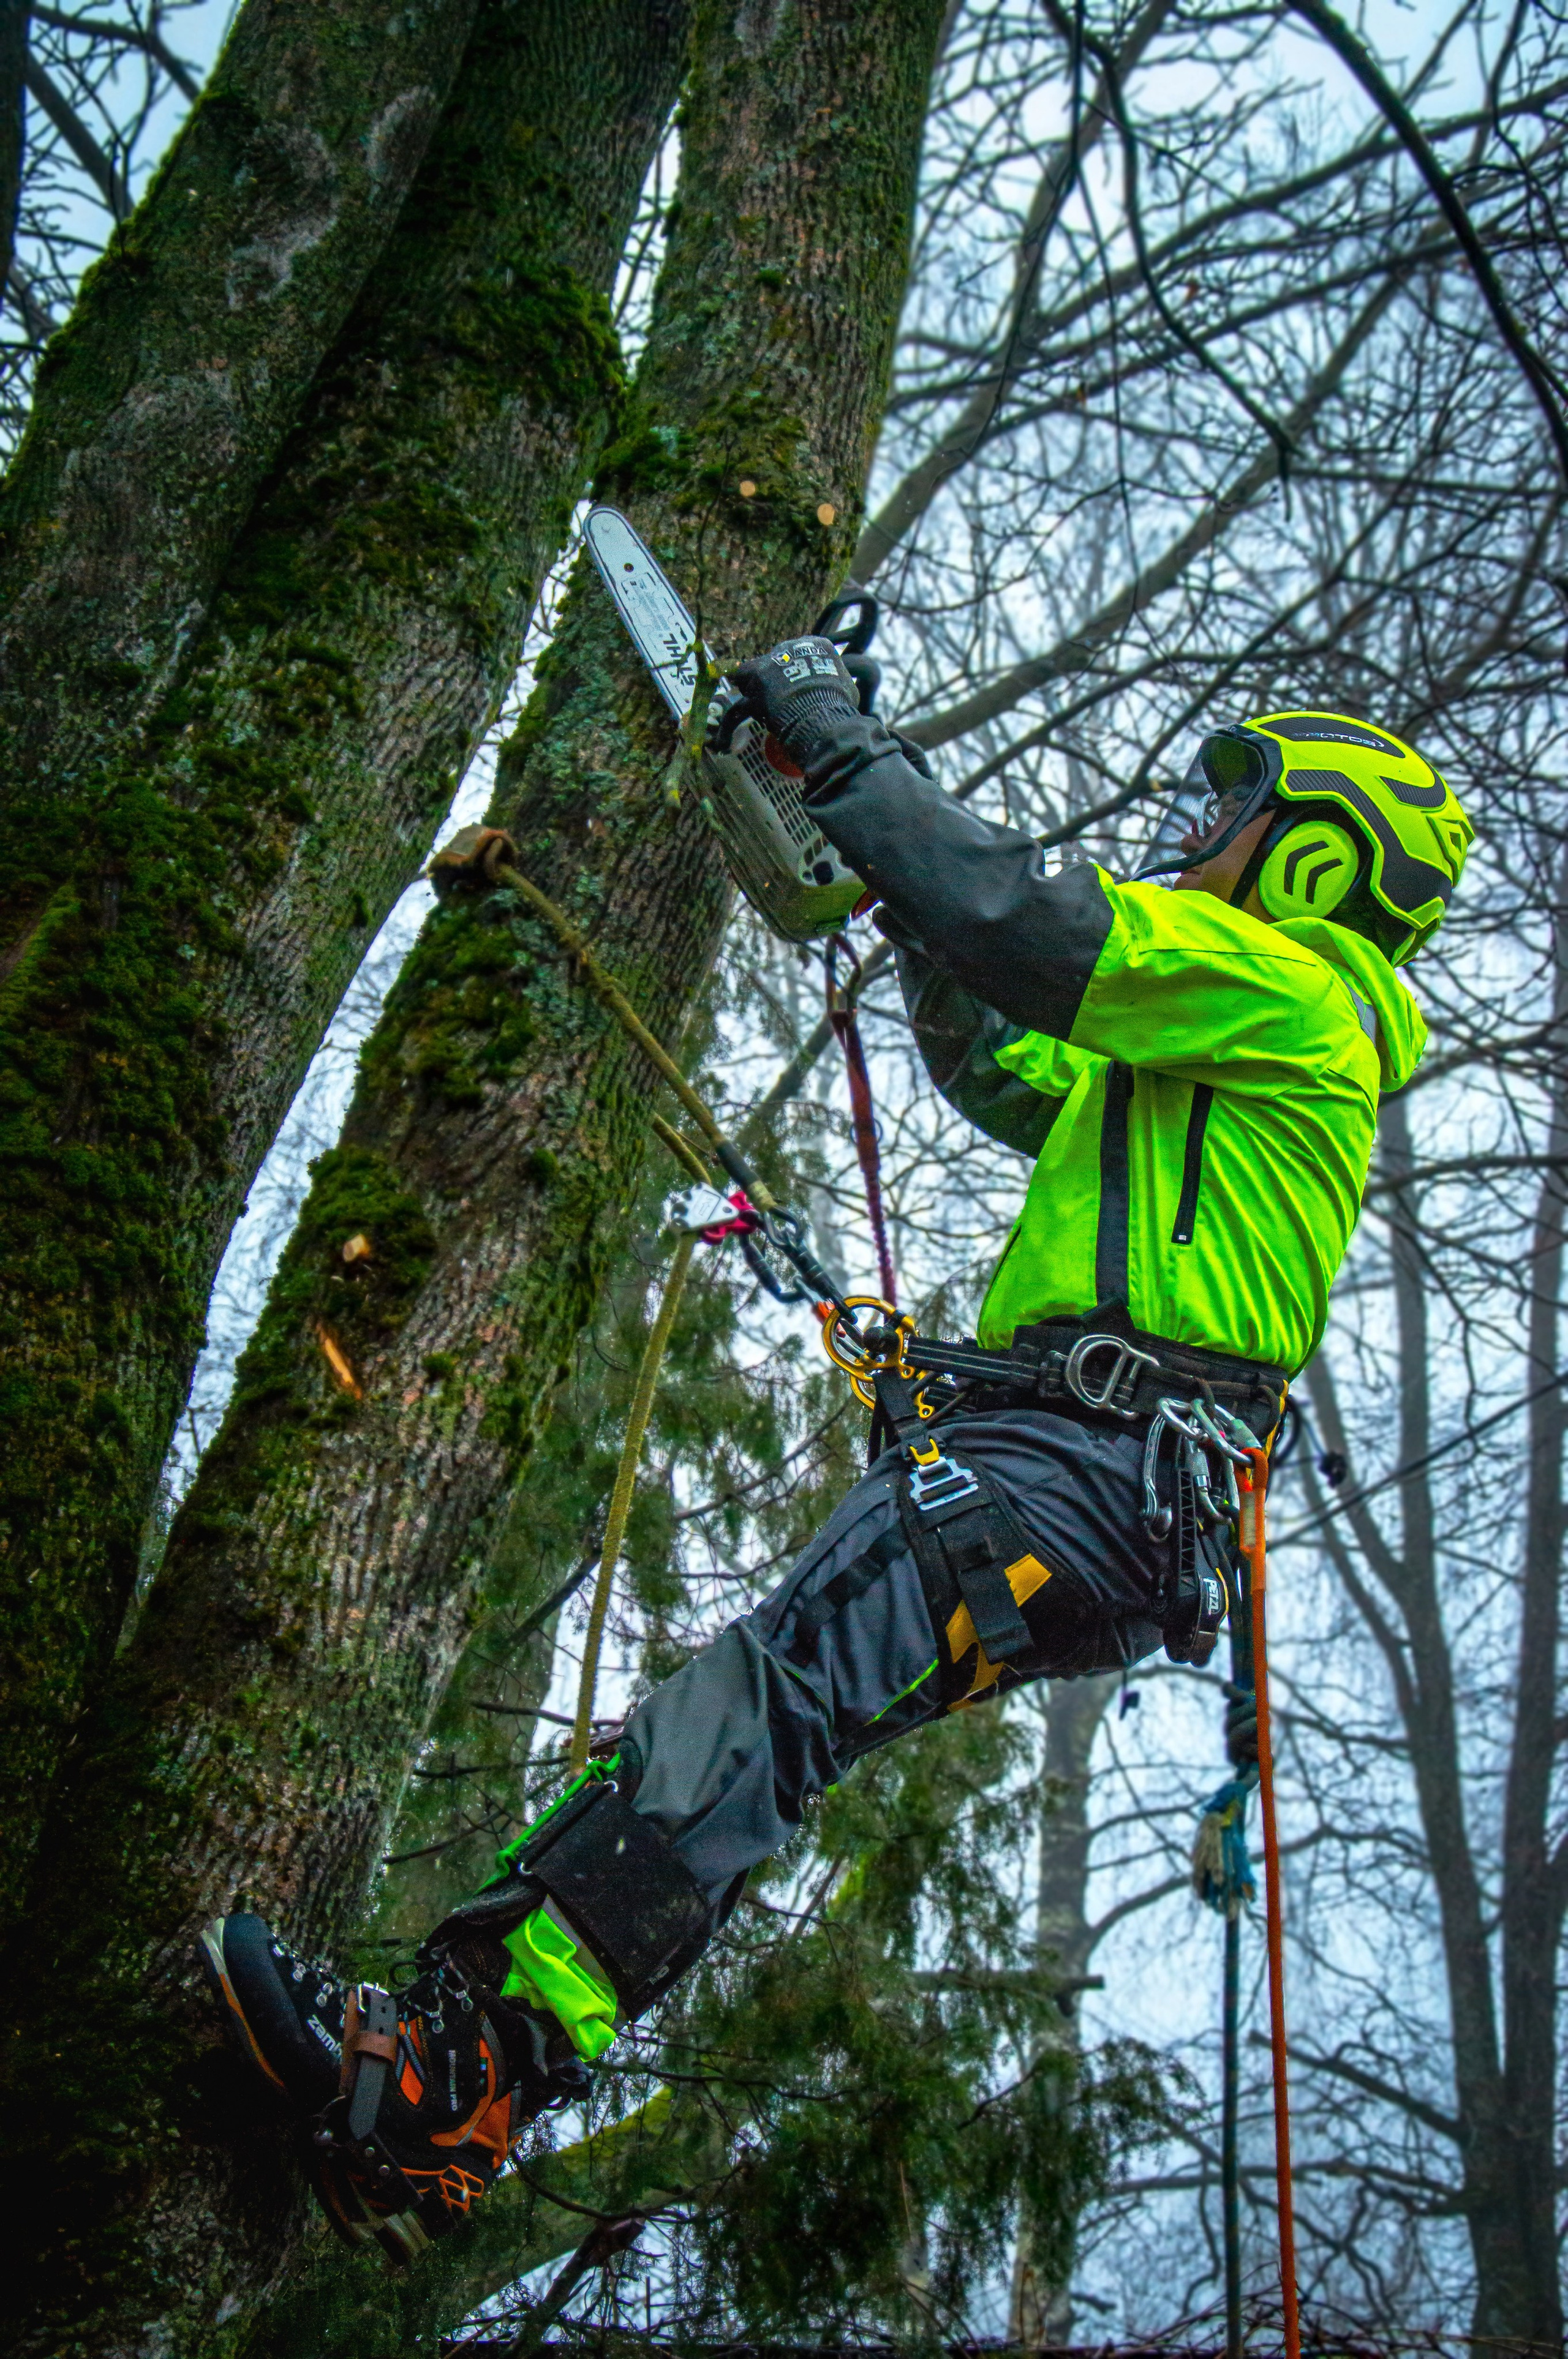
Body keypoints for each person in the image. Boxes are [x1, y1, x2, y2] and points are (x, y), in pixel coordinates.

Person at [202, 644, 1472, 2268]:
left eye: (1227, 808)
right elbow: (1009, 1055)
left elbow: (1029, 922)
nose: (1193, 828)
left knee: (755, 1706)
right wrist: (887, 887)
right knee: (754, 1710)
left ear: (1313, 851)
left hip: (1087, 1469)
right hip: (1073, 1474)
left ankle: (457, 2069)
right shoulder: (1207, 1043)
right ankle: (463, 2064)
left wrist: (849, 752)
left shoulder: (1295, 985)